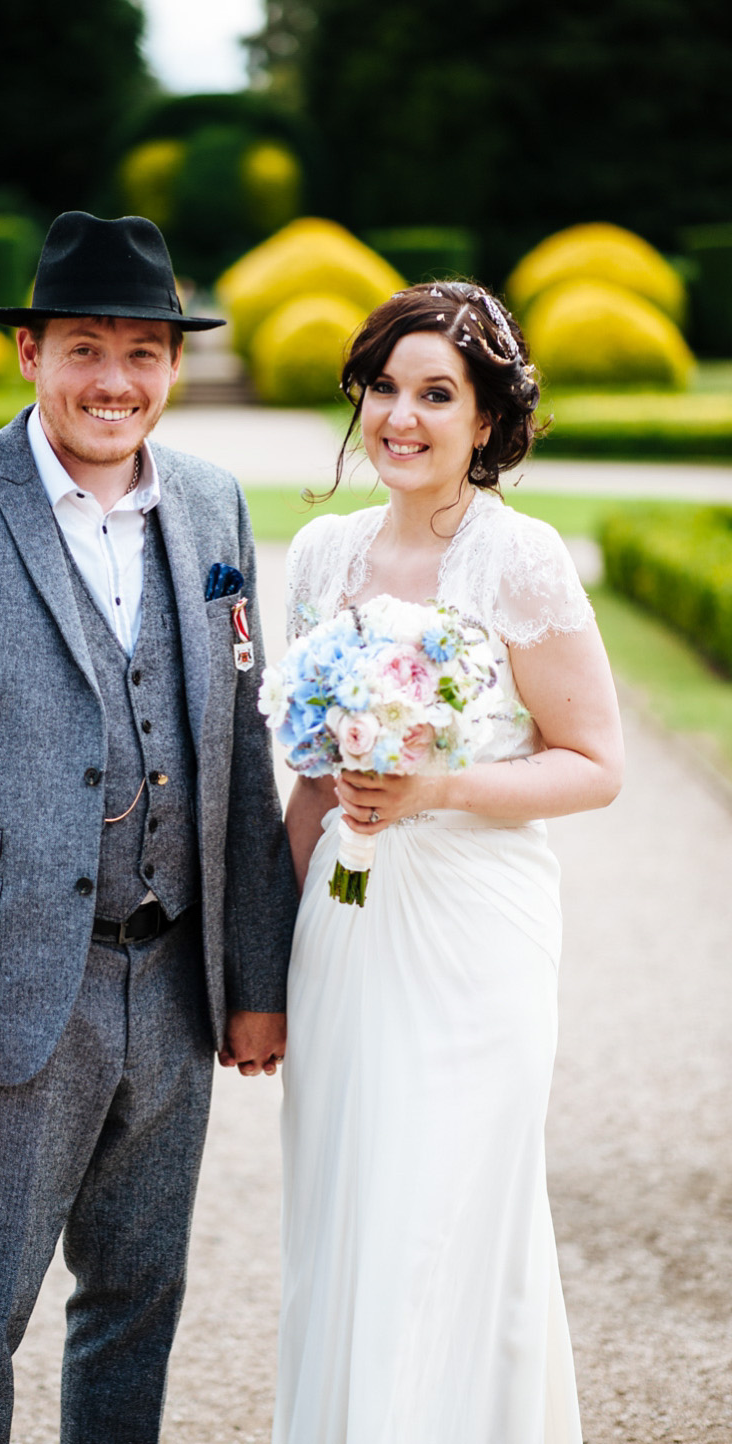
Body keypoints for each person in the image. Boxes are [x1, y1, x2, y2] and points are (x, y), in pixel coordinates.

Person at [0, 209, 298, 1444]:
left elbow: (242, 755)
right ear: (30, 352)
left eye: (144, 352)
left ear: (172, 366)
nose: (116, 380)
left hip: (178, 982)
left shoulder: (215, 509)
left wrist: (256, 977)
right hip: (6, 999)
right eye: (86, 347)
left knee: (137, 1304)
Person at [272, 282, 624, 1444]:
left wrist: (441, 787)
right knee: (350, 1206)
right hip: (347, 921)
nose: (400, 416)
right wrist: (264, 968)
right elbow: (312, 779)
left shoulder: (519, 560)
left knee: (451, 1207)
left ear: (486, 420)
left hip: (477, 933)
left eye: (436, 393)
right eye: (382, 387)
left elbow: (595, 762)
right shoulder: (322, 555)